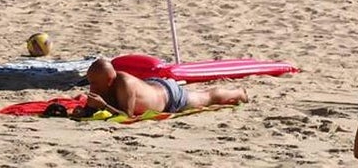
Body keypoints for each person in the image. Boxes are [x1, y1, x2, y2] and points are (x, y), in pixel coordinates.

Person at [84, 57, 247, 117]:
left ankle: (238, 92)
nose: (93, 88)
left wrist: (103, 105)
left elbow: (127, 115)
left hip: (169, 96)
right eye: (91, 83)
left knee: (207, 98)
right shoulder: (104, 85)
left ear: (109, 80)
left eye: (95, 84)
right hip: (152, 85)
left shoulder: (125, 85)